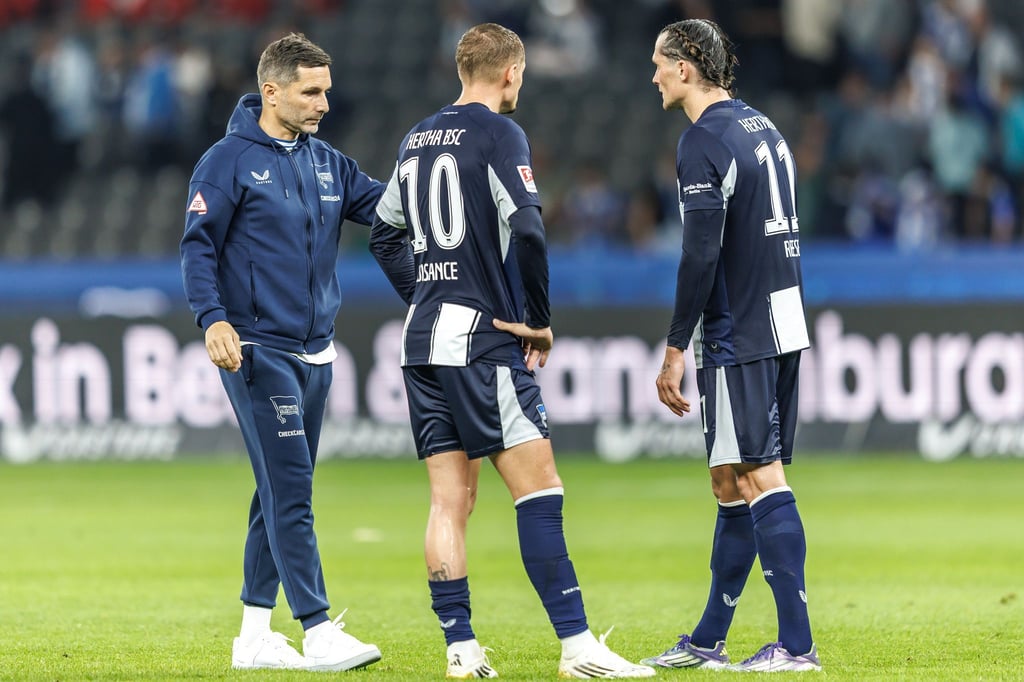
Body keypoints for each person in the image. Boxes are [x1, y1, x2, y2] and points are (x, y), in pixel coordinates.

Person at [370, 22, 655, 680]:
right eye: (520, 74)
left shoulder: (416, 138)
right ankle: (579, 648)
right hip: (479, 339)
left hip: (422, 340)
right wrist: (536, 319)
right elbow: (528, 225)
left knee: (448, 501)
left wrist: (426, 293)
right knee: (539, 488)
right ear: (509, 73)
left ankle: (461, 651)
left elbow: (384, 233)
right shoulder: (501, 133)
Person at [180, 32, 383, 672]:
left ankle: (253, 636)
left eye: (327, 90)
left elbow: (385, 208)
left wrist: (444, 189)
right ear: (272, 92)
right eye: (311, 91)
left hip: (316, 352)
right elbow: (197, 246)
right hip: (256, 349)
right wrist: (212, 318)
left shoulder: (327, 162)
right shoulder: (228, 160)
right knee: (291, 488)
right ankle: (318, 628)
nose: (324, 102)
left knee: (276, 487)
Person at [643, 19, 822, 673]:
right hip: (783, 317)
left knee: (757, 473)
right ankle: (708, 639)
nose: (654, 74)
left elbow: (700, 252)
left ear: (687, 67)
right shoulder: (761, 127)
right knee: (729, 478)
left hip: (739, 327)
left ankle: (797, 647)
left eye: (660, 63)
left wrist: (674, 346)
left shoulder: (700, 141)